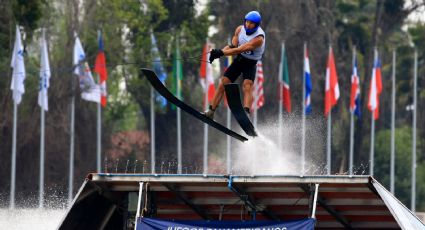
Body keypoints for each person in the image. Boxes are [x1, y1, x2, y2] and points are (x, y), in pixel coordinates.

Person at [204, 11, 265, 120]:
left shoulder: (259, 39)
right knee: (223, 83)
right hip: (239, 61)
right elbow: (233, 46)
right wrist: (217, 53)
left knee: (247, 85)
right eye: (247, 22)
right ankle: (211, 111)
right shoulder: (239, 30)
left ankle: (246, 112)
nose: (248, 25)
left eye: (252, 23)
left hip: (250, 64)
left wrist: (221, 53)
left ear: (257, 25)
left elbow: (240, 49)